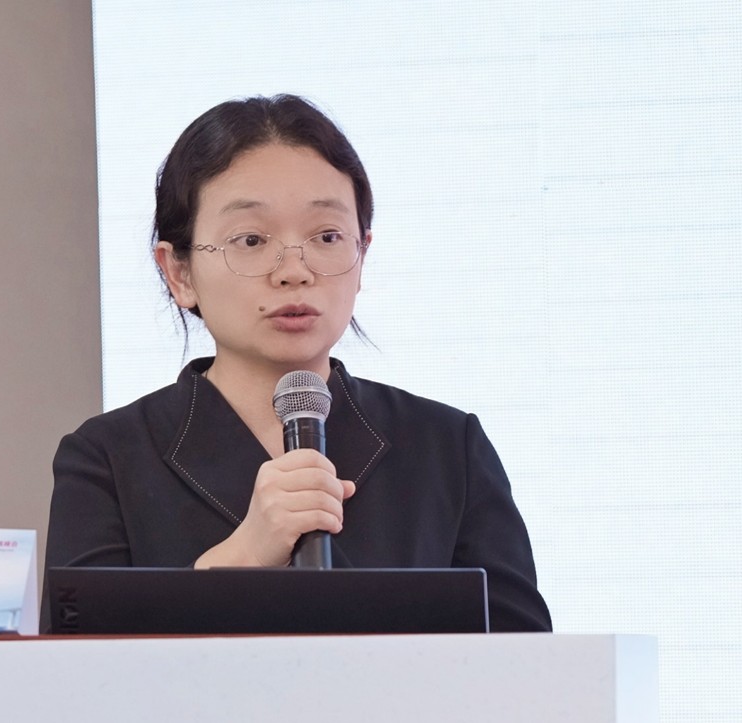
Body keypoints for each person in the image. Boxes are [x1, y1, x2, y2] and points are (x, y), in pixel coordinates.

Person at [42, 94, 551, 633]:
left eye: (327, 237)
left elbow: (530, 662)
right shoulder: (107, 458)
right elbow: (76, 667)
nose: (293, 271)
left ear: (362, 255)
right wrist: (242, 557)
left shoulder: (447, 447)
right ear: (179, 273)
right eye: (251, 240)